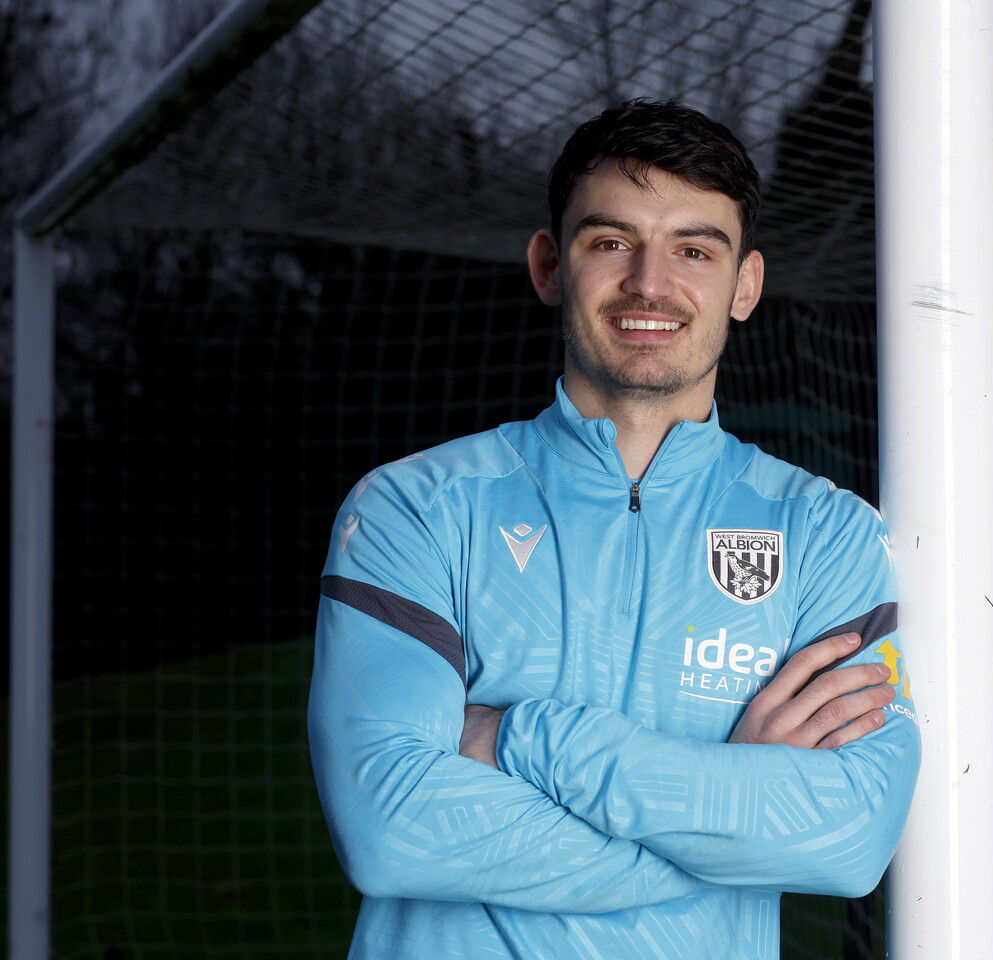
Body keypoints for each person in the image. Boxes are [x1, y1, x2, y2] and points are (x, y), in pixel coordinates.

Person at [309, 98, 920, 960]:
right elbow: (392, 826)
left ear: (745, 285)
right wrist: (728, 807)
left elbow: (850, 839)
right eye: (610, 242)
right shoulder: (416, 509)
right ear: (550, 265)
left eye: (694, 250)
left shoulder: (827, 534)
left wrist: (523, 737)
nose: (650, 284)